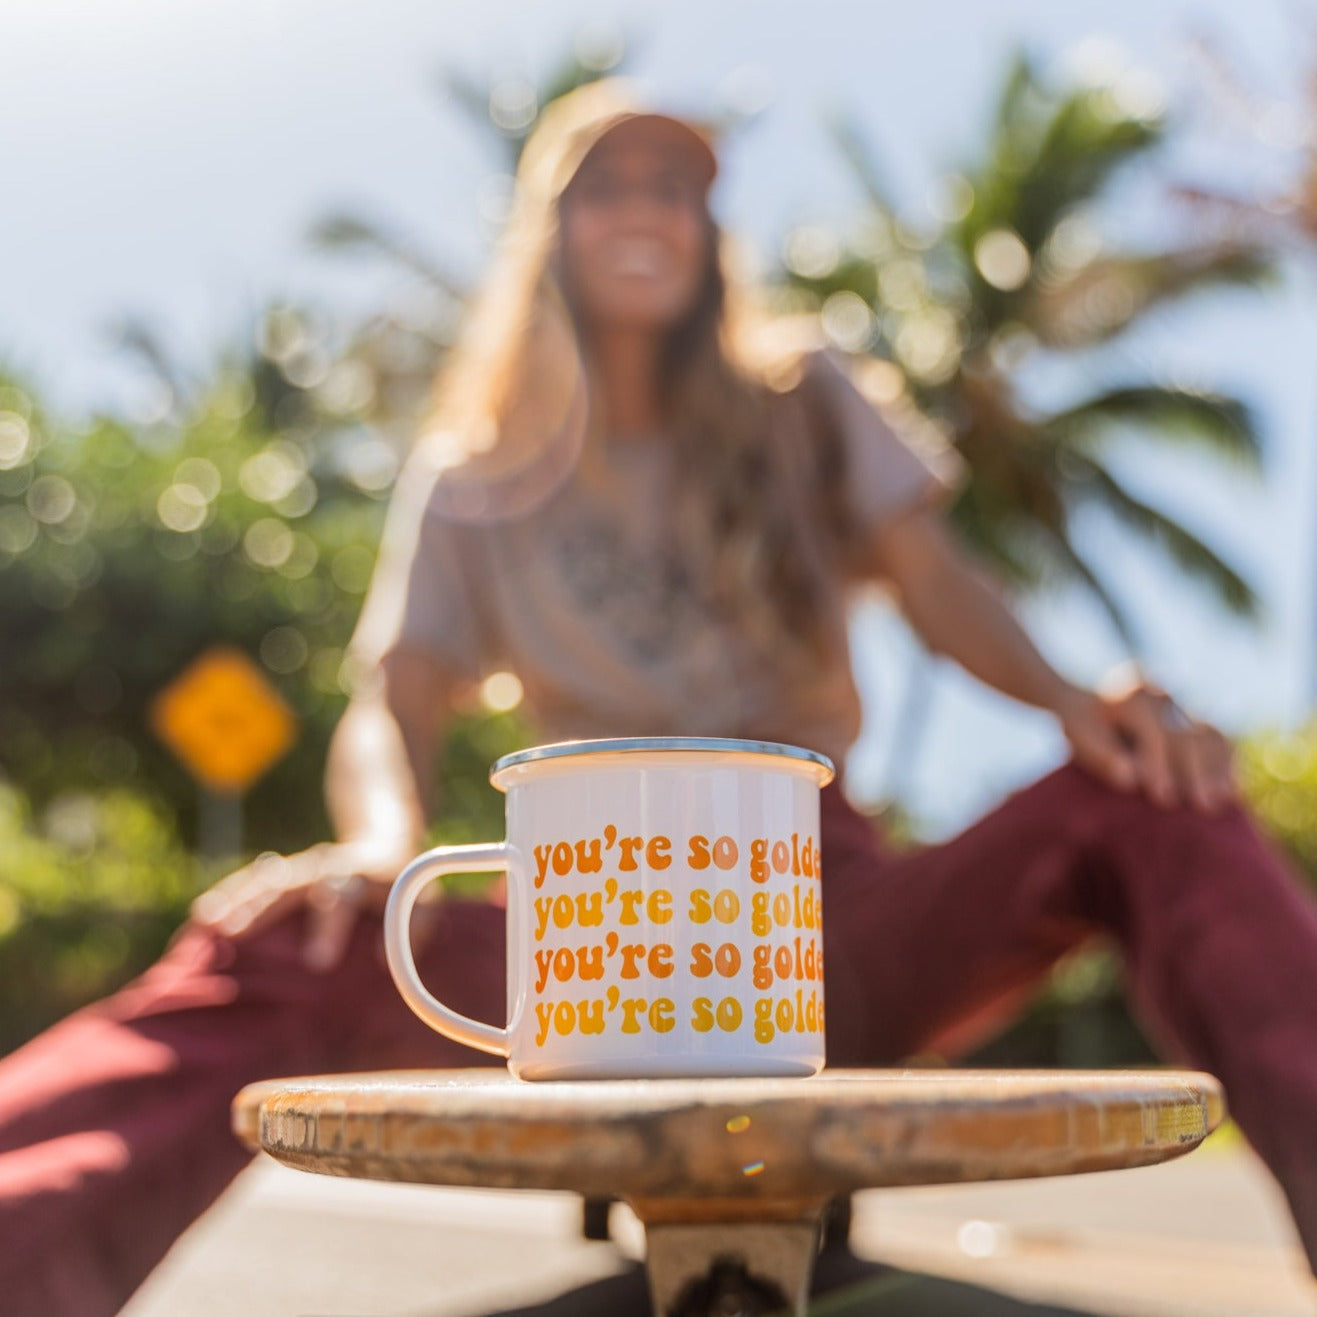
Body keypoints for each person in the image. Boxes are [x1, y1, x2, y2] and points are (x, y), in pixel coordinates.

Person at [2, 76, 1315, 1314]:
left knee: (1155, 797)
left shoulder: (802, 399)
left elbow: (933, 576)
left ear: (706, 233)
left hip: (819, 918)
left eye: (674, 189)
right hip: (586, 939)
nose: (644, 209)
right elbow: (392, 696)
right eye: (606, 183)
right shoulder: (476, 478)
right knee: (297, 931)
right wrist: (377, 843)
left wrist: (1074, 699)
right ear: (551, 228)